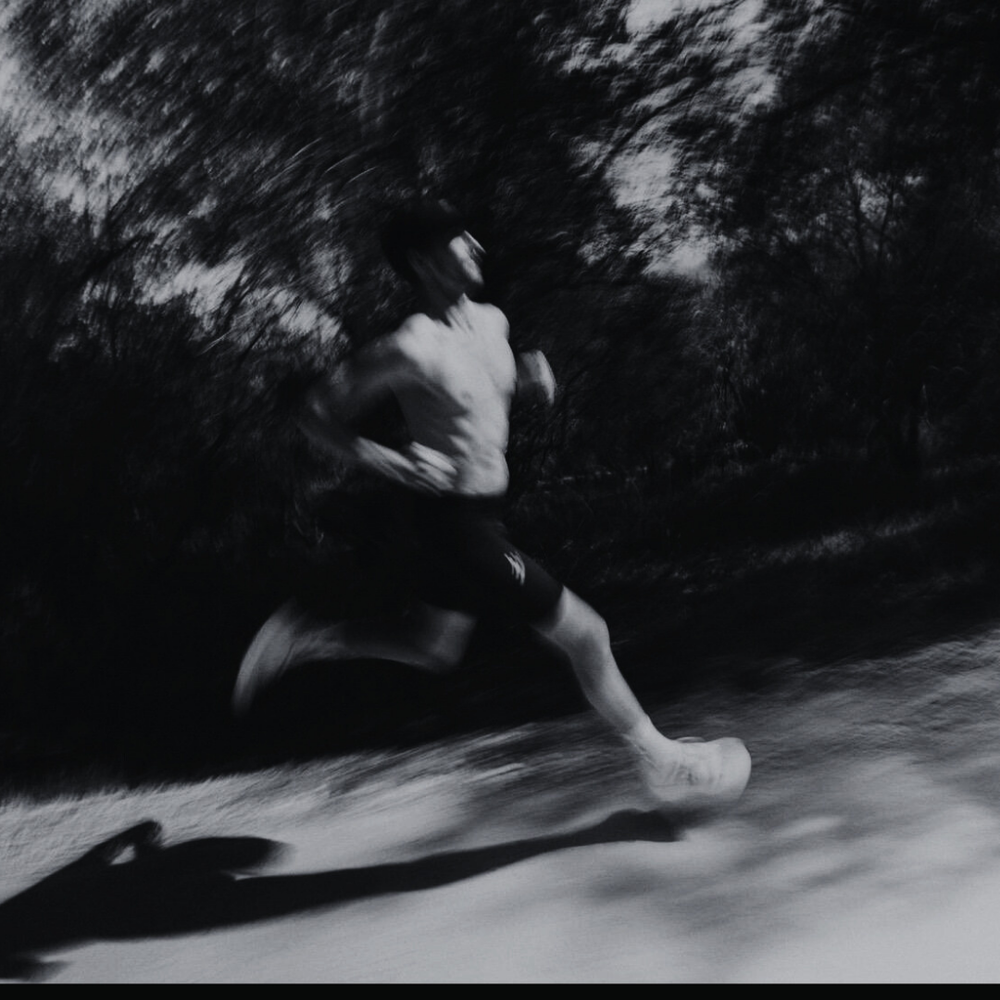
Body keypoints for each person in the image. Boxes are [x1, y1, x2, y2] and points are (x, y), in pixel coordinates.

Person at [232, 199, 751, 814]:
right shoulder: (410, 346)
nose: (476, 245)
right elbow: (314, 412)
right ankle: (664, 763)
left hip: (482, 514)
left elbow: (478, 397)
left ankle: (305, 637)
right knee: (587, 634)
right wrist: (391, 462)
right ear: (423, 262)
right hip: (453, 525)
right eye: (458, 238)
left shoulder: (493, 323)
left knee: (432, 648)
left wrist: (529, 379)